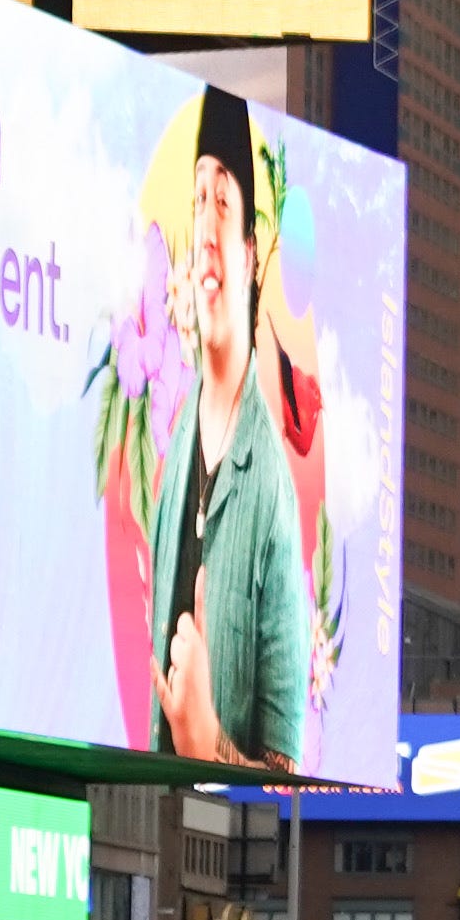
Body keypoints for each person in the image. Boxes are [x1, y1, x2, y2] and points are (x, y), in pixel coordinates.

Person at [141, 88, 320, 771]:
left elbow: (285, 772)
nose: (206, 233)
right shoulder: (176, 434)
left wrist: (207, 743)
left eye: (223, 203)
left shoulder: (273, 491)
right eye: (197, 201)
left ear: (248, 254)